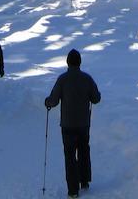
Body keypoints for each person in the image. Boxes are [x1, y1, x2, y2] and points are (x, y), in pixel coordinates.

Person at [45, 49, 101, 199]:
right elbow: (96, 98)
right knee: (84, 150)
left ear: (68, 62)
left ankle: (73, 190)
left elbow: (54, 100)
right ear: (80, 62)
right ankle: (84, 181)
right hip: (83, 124)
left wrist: (47, 102)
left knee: (69, 156)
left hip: (68, 125)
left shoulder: (62, 79)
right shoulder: (87, 78)